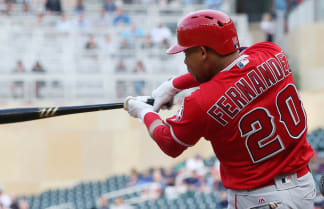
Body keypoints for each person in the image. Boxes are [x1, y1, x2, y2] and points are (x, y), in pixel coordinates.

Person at [123, 9, 316, 209]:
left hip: (261, 199)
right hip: (303, 186)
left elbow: (169, 142)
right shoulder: (271, 52)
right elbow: (239, 58)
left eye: (187, 53)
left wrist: (144, 112)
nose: (185, 61)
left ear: (203, 52)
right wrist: (175, 85)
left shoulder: (201, 102)